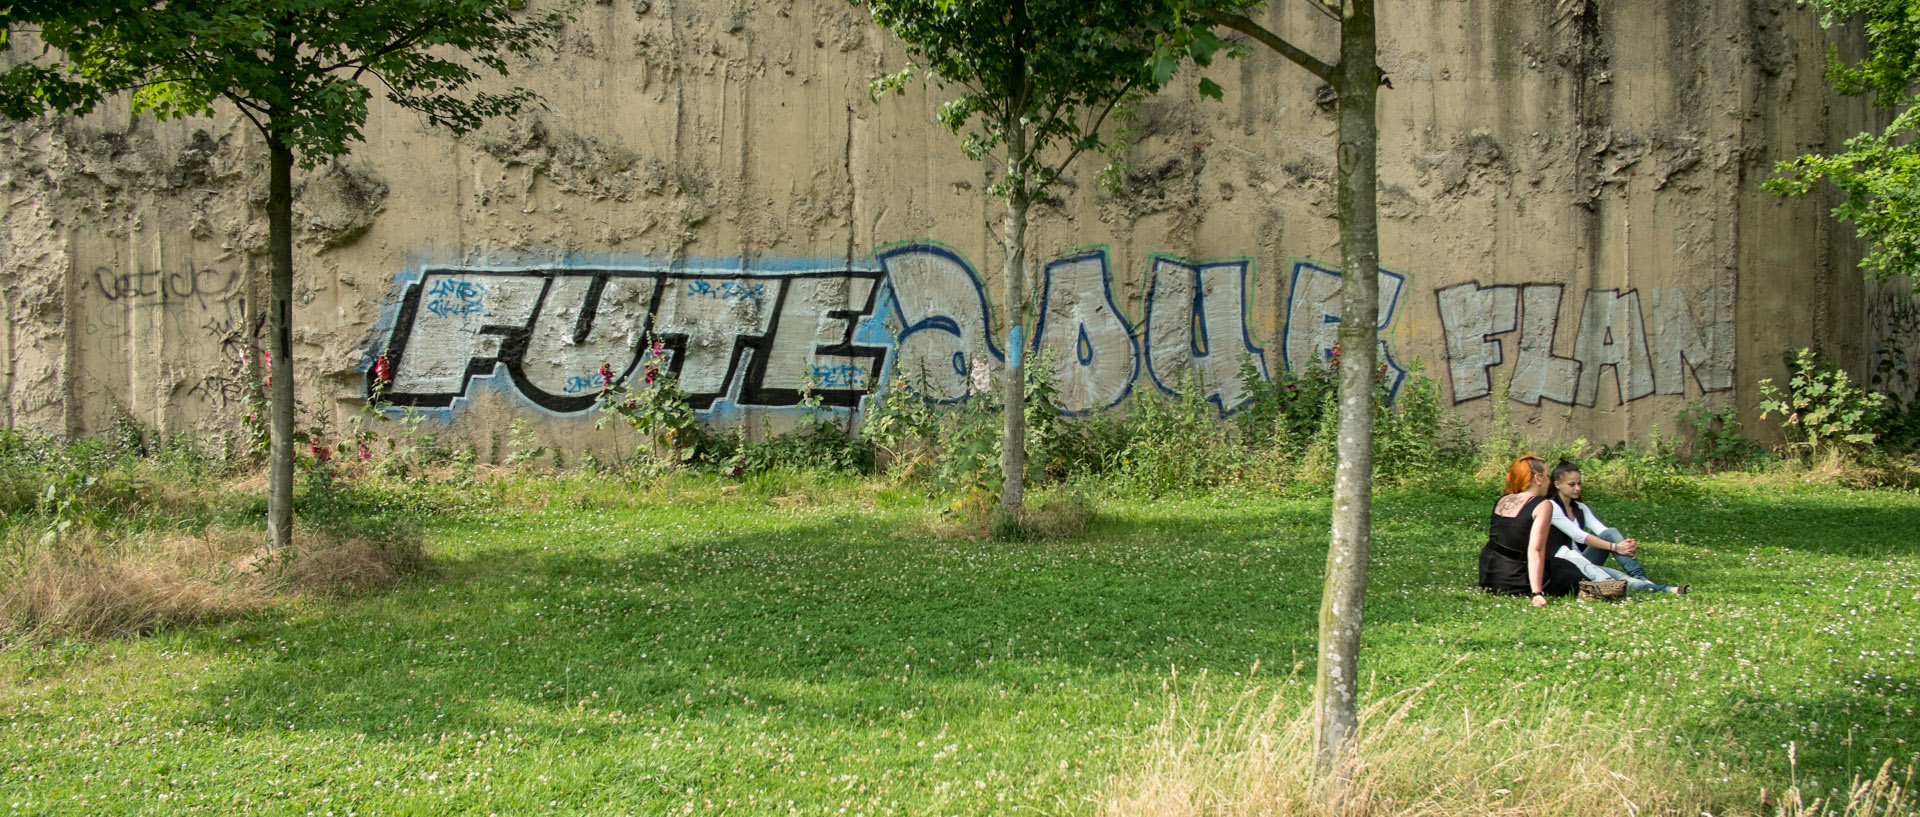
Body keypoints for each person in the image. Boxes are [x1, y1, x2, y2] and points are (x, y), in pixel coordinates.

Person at [1545, 460, 1689, 595]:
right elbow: (1580, 536)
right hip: (1567, 564)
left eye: (1579, 484)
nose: (1577, 488)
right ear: (1557, 484)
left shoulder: (1580, 507)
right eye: (1572, 484)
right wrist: (1615, 547)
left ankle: (1641, 577)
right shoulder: (1551, 507)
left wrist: (1624, 546)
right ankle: (1666, 589)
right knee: (1619, 578)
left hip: (1584, 559)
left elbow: (1602, 531)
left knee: (1611, 532)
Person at [1478, 455, 1584, 606]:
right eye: (1548, 476)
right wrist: (1537, 593)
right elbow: (1536, 550)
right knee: (1575, 577)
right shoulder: (1543, 505)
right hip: (1514, 579)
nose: (1549, 481)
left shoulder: (1503, 499)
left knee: (1562, 565)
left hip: (1489, 576)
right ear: (1538, 478)